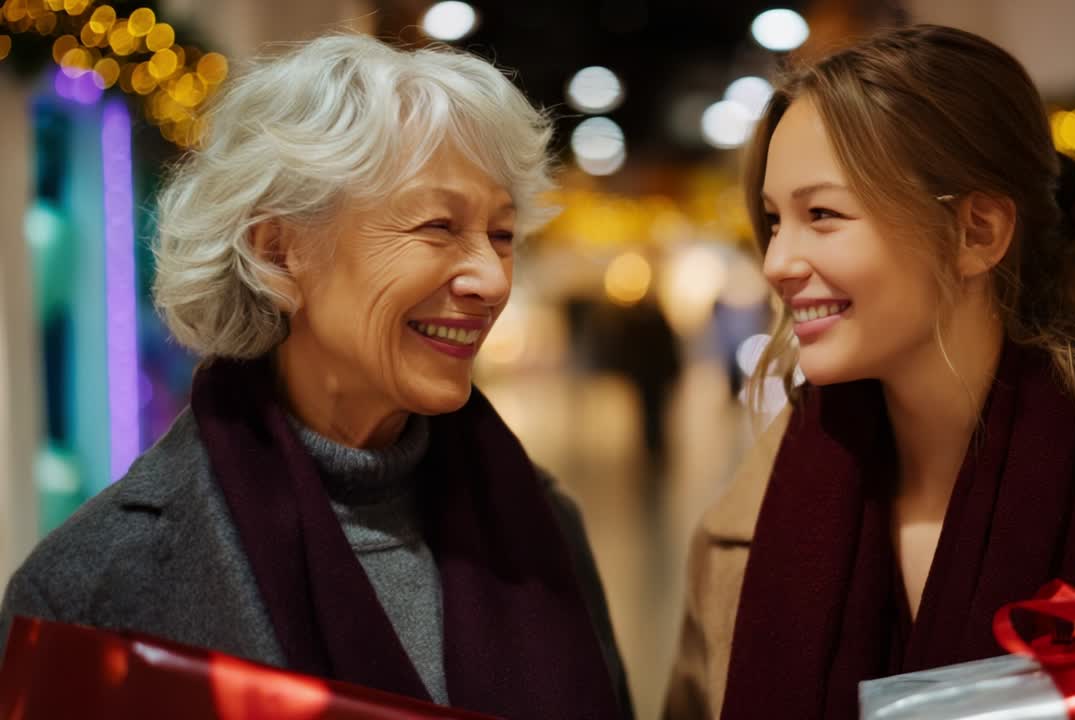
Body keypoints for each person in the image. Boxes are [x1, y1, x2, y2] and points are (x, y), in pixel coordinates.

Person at [1, 34, 633, 720]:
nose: (489, 278)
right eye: (437, 226)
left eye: (503, 235)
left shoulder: (542, 521)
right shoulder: (97, 585)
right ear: (279, 251)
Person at [664, 24, 1075, 720]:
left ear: (978, 232)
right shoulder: (736, 538)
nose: (777, 261)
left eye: (823, 215)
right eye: (775, 220)